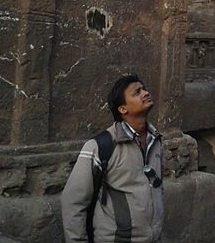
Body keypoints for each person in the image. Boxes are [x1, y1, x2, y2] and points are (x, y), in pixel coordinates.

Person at [61, 75, 163, 243]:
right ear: (123, 109)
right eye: (137, 92)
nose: (145, 93)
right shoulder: (100, 146)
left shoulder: (156, 140)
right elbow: (73, 201)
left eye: (144, 89)